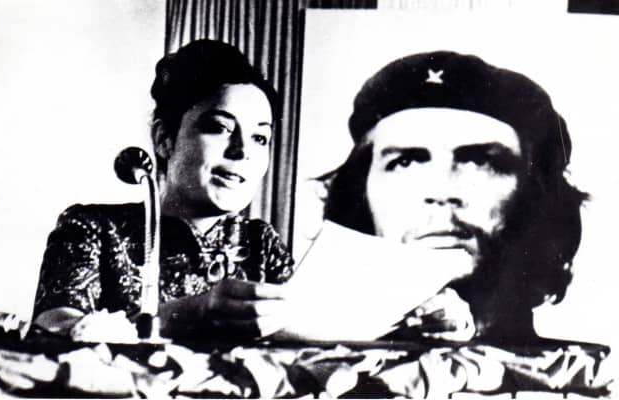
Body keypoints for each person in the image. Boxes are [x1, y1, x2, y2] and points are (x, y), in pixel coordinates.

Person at [32, 39, 294, 341]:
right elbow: (54, 328)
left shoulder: (262, 244)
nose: (242, 151)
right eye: (220, 128)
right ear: (163, 139)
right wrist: (174, 319)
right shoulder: (94, 228)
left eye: (260, 137)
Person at [320, 51, 587, 343]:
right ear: (360, 195)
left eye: (480, 162)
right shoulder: (300, 364)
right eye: (405, 162)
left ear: (536, 198)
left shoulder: (582, 368)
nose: (440, 191)